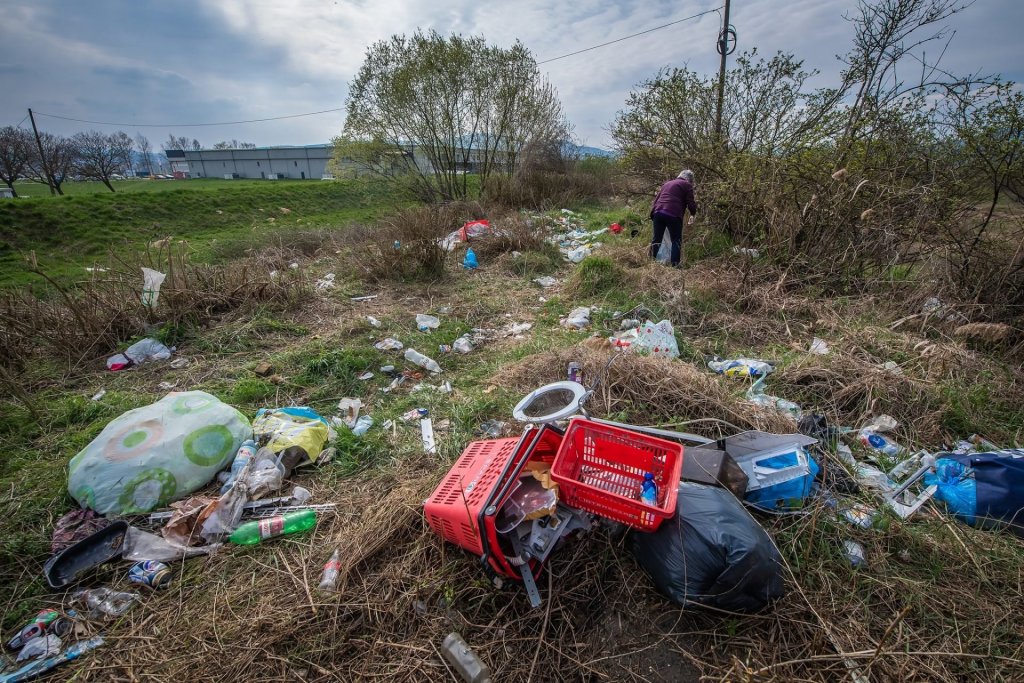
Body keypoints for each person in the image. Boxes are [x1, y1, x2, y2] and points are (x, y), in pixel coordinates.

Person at [649, 170, 697, 268]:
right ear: (689, 180)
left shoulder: (667, 184)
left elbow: (656, 200)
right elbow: (691, 203)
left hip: (658, 212)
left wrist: (652, 214)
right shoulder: (687, 185)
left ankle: (649, 262)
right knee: (676, 240)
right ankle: (675, 266)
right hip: (673, 214)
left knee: (656, 239)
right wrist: (693, 213)